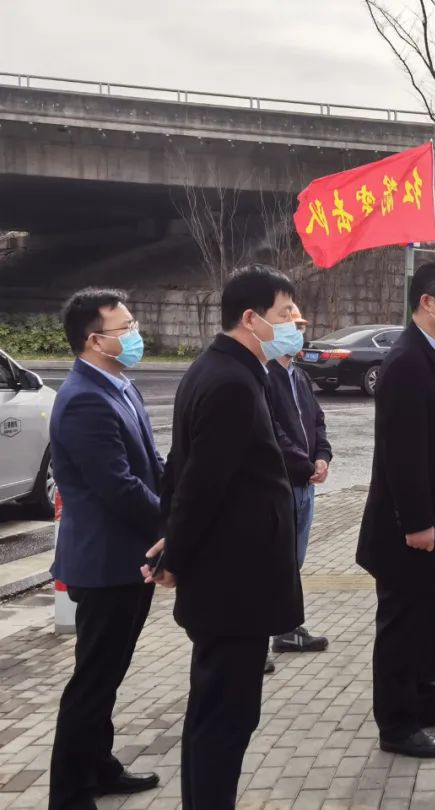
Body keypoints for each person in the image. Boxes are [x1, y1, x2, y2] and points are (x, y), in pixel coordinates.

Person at [143, 265, 304, 808]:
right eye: (285, 314)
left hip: (228, 580)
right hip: (234, 584)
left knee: (215, 712)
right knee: (225, 717)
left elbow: (182, 467)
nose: (294, 323)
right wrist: (175, 556)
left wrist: (172, 540)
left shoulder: (221, 368)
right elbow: (200, 482)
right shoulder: (231, 382)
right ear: (251, 318)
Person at [357, 261, 435, 758]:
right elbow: (401, 452)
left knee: (429, 617)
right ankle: (397, 724)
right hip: (409, 528)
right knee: (403, 627)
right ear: (428, 302)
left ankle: (426, 699)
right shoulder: (407, 361)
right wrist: (418, 521)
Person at [49, 289, 162, 809]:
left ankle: (99, 766)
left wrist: (178, 500)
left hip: (128, 559)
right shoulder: (84, 399)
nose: (135, 334)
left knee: (107, 676)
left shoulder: (119, 384)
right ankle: (70, 794)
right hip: (104, 564)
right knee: (92, 682)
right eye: (126, 328)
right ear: (95, 340)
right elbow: (117, 487)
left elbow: (150, 465)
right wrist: (171, 522)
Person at [267, 304, 331, 660]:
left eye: (301, 327)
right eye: (292, 326)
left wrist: (322, 457)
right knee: (272, 563)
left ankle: (287, 628)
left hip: (305, 484)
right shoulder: (264, 376)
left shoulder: (300, 377)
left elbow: (317, 422)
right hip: (282, 484)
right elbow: (272, 431)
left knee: (294, 561)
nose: (298, 334)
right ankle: (259, 634)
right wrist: (304, 464)